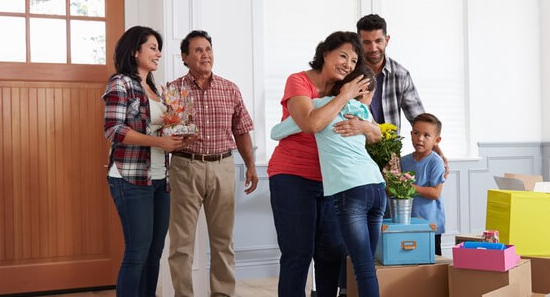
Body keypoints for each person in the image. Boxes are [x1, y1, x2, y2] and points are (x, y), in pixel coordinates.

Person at [267, 31, 377, 297]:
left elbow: (375, 134)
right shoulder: (299, 81)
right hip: (292, 175)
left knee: (331, 253)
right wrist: (345, 95)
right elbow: (311, 123)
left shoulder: (346, 92)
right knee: (298, 253)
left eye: (353, 61)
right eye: (342, 55)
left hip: (333, 181)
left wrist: (361, 124)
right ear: (325, 53)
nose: (347, 64)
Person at [167, 30, 258, 297]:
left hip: (223, 167)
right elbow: (162, 131)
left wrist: (251, 165)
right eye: (197, 50)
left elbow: (241, 130)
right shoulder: (173, 90)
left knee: (223, 242)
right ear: (184, 57)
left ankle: (222, 294)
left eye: (208, 49)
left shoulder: (230, 88)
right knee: (181, 244)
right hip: (185, 167)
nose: (205, 54)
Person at [102, 26, 187, 296]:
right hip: (130, 178)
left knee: (154, 252)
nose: (158, 53)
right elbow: (113, 130)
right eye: (152, 47)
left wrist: (178, 138)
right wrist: (160, 142)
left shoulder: (155, 90)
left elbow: (159, 132)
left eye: (158, 48)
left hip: (161, 180)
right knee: (137, 252)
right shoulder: (121, 83)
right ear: (134, 50)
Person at [357, 14, 450, 175]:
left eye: (378, 41)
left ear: (387, 39)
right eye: (366, 42)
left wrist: (438, 152)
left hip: (389, 159)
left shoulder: (400, 74)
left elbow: (419, 119)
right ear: (359, 43)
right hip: (356, 155)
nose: (373, 48)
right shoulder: (350, 74)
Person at [400, 113, 447, 256]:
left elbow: (435, 193)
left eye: (426, 135)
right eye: (416, 133)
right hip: (407, 223)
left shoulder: (436, 162)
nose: (419, 139)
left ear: (436, 140)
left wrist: (409, 187)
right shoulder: (403, 161)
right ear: (411, 134)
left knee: (432, 263)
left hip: (430, 225)